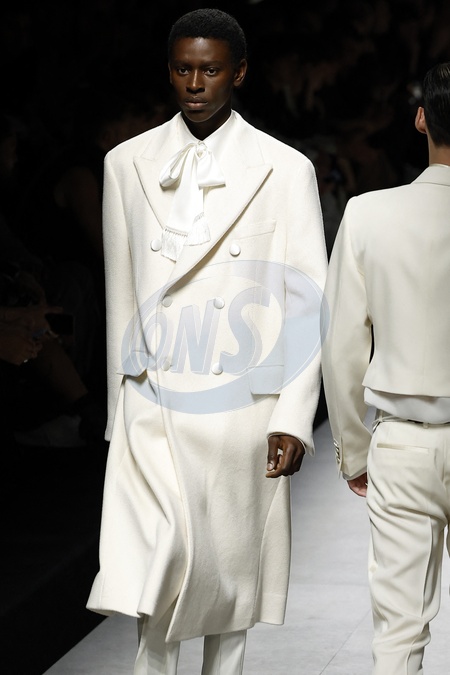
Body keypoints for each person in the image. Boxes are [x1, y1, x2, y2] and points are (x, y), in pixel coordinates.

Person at [87, 8, 327, 674]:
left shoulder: (284, 169)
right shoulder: (126, 164)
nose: (195, 84)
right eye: (183, 69)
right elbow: (121, 296)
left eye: (211, 70)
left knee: (229, 586)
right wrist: (118, 413)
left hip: (237, 407)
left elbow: (307, 300)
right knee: (157, 578)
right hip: (153, 404)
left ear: (239, 73)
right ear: (169, 71)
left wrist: (293, 416)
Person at [321, 61, 450, 675]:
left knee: (398, 633)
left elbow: (341, 344)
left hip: (402, 443)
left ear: (421, 119)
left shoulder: (368, 214)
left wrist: (354, 450)